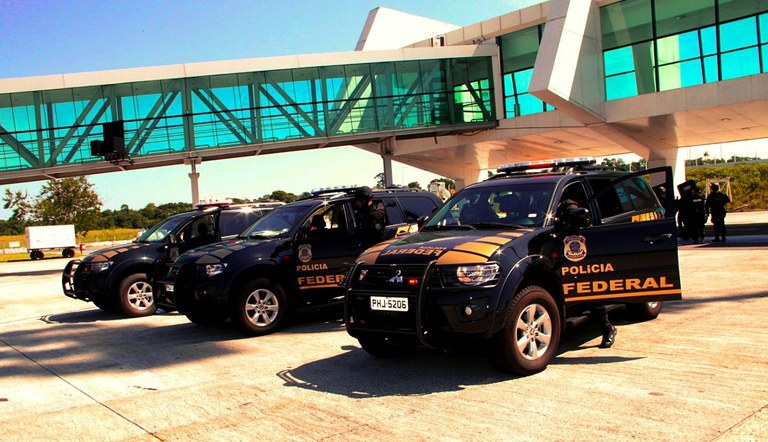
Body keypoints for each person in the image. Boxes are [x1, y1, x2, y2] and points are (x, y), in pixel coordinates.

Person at [554, 199, 616, 348]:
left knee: (590, 295)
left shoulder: (568, 205)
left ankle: (607, 328)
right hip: (558, 261)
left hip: (580, 261)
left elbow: (579, 223)